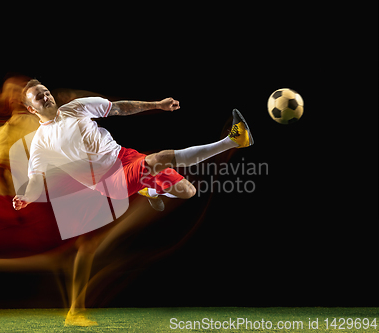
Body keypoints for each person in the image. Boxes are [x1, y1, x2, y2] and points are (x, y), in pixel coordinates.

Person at [13, 79, 254, 326]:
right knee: (159, 158)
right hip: (110, 182)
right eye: (39, 97)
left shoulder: (76, 108)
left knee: (187, 191)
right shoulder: (41, 141)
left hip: (126, 156)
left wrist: (157, 105)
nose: (46, 97)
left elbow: (119, 108)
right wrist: (25, 197)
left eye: (46, 92)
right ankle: (234, 141)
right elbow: (35, 179)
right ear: (32, 109)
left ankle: (149, 190)